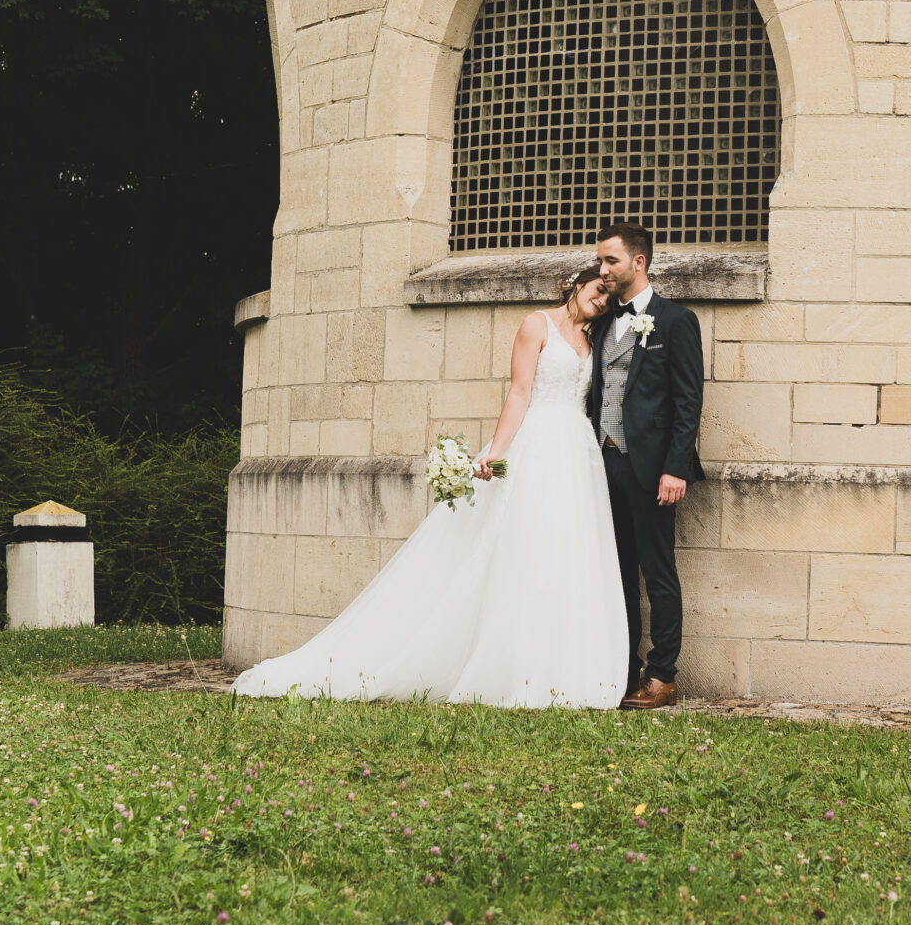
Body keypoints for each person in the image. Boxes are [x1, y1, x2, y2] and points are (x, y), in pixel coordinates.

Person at [230, 268, 628, 709]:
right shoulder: (538, 324)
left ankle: (562, 667)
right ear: (576, 285)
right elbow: (519, 393)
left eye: (608, 299)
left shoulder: (594, 342)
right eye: (597, 290)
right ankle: (510, 666)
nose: (601, 301)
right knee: (523, 546)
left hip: (577, 453)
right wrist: (495, 453)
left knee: (566, 551)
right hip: (536, 446)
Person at [589, 222, 705, 712]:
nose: (602, 270)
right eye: (600, 261)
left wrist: (675, 467)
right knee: (616, 572)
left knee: (657, 572)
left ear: (639, 262)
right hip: (601, 465)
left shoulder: (675, 321)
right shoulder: (600, 323)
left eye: (611, 261)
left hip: (653, 469)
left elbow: (688, 400)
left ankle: (663, 676)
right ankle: (624, 667)